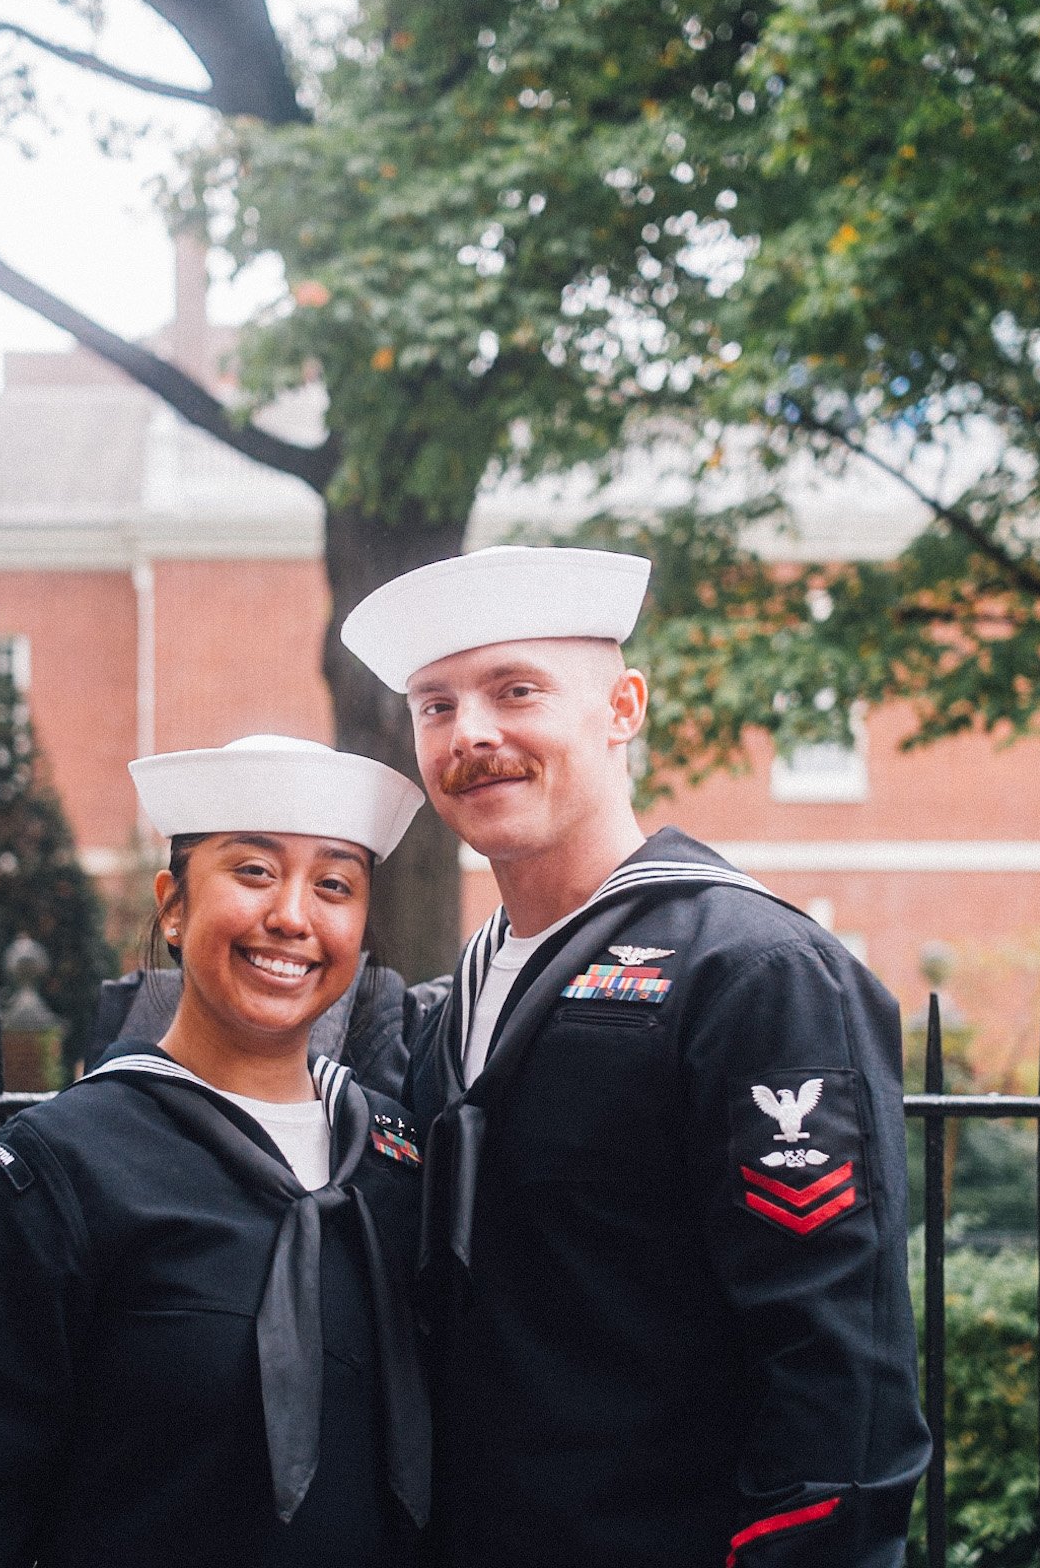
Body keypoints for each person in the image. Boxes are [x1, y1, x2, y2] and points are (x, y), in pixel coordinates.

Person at [341, 546, 931, 1568]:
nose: (471, 731)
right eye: (435, 705)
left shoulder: (750, 970)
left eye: (515, 689)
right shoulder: (458, 999)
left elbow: (843, 1385)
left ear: (623, 706)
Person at [0, 734, 431, 1568]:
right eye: (252, 871)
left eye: (333, 885)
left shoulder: (397, 1161)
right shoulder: (64, 1169)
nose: (292, 914)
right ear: (172, 906)